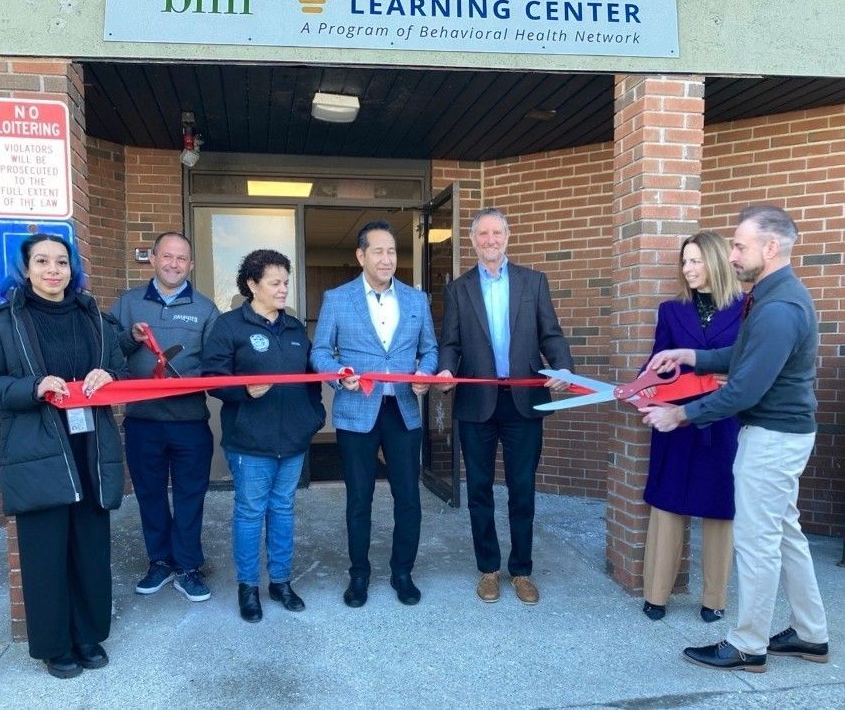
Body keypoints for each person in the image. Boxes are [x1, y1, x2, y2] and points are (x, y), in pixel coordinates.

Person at [642, 205, 829, 673]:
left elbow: (746, 386)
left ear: (771, 247)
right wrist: (691, 355)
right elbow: (740, 352)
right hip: (781, 435)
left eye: (741, 246)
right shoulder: (769, 297)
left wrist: (681, 414)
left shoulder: (780, 307)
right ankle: (811, 633)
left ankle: (748, 644)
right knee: (786, 536)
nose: (734, 255)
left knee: (758, 543)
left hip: (772, 438)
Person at [0, 234, 126, 679]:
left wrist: (108, 375)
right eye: (42, 261)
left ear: (72, 268)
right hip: (37, 451)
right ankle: (55, 645)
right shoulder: (2, 322)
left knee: (90, 548)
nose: (53, 270)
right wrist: (33, 387)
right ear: (26, 268)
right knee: (45, 554)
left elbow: (120, 369)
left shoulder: (95, 319)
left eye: (61, 262)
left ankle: (88, 635)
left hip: (90, 447)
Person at [437, 207, 573, 605]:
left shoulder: (533, 282)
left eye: (497, 233)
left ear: (508, 237)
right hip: (476, 405)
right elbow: (451, 342)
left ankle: (522, 569)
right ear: (473, 240)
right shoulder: (458, 289)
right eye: (483, 234)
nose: (490, 241)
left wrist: (563, 366)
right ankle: (488, 569)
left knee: (522, 489)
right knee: (479, 490)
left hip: (523, 403)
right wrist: (446, 371)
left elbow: (551, 334)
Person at [310, 221, 438, 607]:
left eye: (393, 252)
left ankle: (403, 572)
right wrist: (338, 377)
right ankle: (359, 575)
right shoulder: (337, 298)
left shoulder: (417, 300)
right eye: (378, 251)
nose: (387, 259)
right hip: (356, 411)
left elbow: (429, 349)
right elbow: (319, 353)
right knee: (359, 499)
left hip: (402, 409)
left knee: (408, 498)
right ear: (361, 255)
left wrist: (424, 374)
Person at [202, 249, 325, 622]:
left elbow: (311, 378)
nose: (283, 289)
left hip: (292, 441)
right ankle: (248, 587)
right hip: (249, 442)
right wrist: (243, 391)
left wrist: (314, 417)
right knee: (251, 512)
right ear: (252, 285)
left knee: (283, 510)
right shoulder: (229, 326)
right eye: (275, 283)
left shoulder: (294, 329)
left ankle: (281, 582)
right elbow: (212, 379)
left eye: (286, 282)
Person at [639, 231, 743, 623]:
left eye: (696, 261)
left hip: (723, 420)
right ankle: (656, 594)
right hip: (673, 420)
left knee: (721, 509)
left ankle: (714, 599)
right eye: (685, 262)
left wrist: (731, 379)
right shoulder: (671, 310)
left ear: (716, 261)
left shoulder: (746, 307)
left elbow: (750, 363)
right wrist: (638, 389)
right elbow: (655, 363)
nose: (688, 269)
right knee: (667, 504)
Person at [109, 232, 219, 602]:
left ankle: (188, 566)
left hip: (190, 422)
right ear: (153, 258)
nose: (174, 264)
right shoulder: (128, 303)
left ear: (191, 264)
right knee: (150, 495)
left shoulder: (206, 309)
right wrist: (130, 338)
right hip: (143, 421)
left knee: (190, 496)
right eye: (167, 256)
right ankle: (160, 561)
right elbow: (107, 353)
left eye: (182, 258)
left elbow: (217, 363)